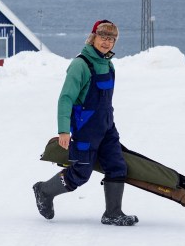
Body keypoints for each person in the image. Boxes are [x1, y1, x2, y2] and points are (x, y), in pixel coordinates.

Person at [33, 20, 139, 226]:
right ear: (93, 38)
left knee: (117, 167)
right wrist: (64, 130)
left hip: (107, 127)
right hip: (85, 129)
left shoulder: (109, 64)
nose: (107, 43)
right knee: (81, 174)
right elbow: (65, 98)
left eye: (111, 39)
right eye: (103, 37)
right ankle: (44, 191)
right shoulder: (80, 65)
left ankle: (113, 213)